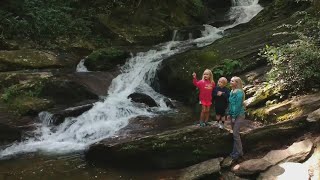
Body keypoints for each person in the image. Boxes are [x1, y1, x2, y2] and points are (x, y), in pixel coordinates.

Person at [227, 76, 245, 160]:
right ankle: (235, 152)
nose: (230, 82)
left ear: (237, 83)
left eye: (232, 81)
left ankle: (240, 152)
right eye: (230, 81)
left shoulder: (240, 93)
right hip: (232, 115)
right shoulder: (232, 91)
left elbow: (237, 106)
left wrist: (234, 116)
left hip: (239, 115)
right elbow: (231, 104)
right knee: (234, 134)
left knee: (235, 133)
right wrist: (229, 113)